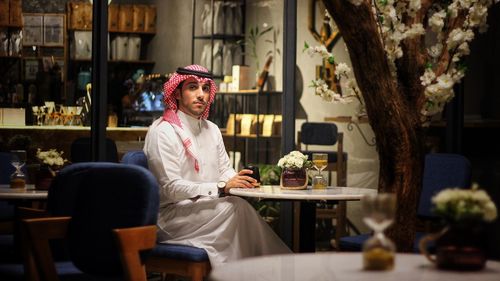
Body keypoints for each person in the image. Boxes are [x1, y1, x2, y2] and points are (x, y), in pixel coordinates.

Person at [143, 64, 290, 267]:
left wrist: (239, 181)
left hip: (207, 209)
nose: (201, 95)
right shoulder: (163, 131)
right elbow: (171, 188)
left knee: (237, 208)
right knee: (235, 210)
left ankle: (263, 270)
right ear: (177, 92)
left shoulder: (212, 129)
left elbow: (225, 169)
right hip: (171, 217)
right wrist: (221, 188)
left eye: (205, 88)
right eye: (192, 87)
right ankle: (275, 269)